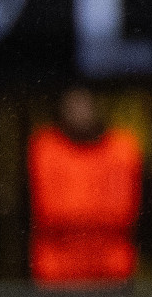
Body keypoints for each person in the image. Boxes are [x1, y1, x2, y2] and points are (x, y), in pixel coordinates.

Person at [27, 86, 144, 286]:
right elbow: (49, 211)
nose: (80, 113)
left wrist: (79, 216)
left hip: (113, 269)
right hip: (56, 272)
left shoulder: (122, 149)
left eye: (84, 105)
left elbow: (123, 212)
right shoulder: (45, 148)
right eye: (73, 107)